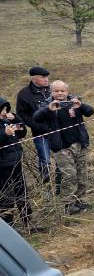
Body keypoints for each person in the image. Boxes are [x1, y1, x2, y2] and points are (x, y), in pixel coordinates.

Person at [32, 81, 93, 214]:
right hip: (62, 147)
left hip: (79, 144)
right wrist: (49, 109)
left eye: (62, 91)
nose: (60, 93)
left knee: (82, 175)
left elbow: (90, 111)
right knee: (69, 175)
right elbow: (36, 118)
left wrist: (80, 105)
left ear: (67, 91)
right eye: (56, 91)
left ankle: (80, 201)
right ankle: (68, 205)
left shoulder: (74, 101)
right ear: (51, 92)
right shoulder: (47, 104)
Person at [0, 97, 36, 230]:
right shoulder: (3, 127)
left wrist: (16, 119)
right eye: (2, 110)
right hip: (2, 166)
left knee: (22, 192)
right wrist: (4, 133)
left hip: (16, 162)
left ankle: (28, 222)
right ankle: (8, 228)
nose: (4, 112)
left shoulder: (6, 121)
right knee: (6, 196)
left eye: (5, 109)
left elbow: (22, 132)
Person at [15, 66, 53, 182]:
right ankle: (47, 185)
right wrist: (36, 126)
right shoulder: (24, 94)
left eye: (47, 77)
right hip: (40, 134)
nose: (46, 79)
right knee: (45, 160)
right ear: (34, 78)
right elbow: (22, 114)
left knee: (62, 158)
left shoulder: (53, 89)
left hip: (58, 130)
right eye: (43, 77)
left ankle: (60, 184)